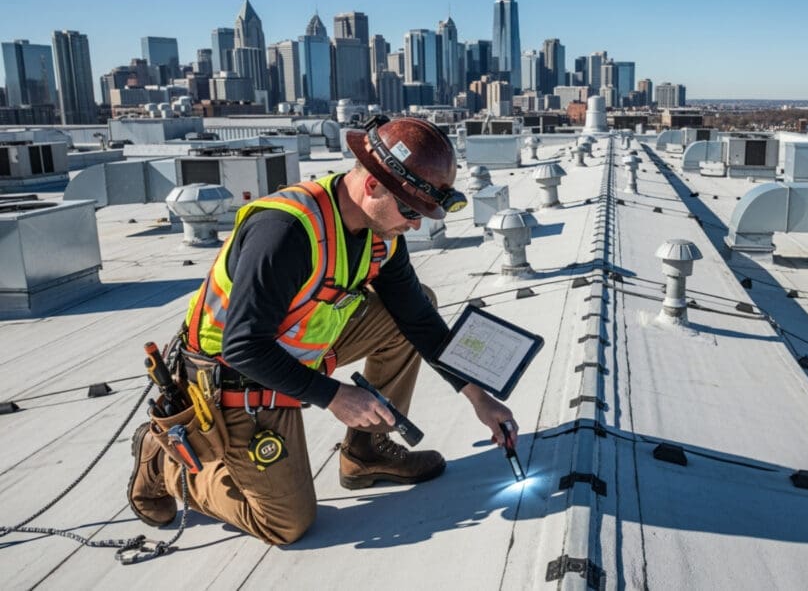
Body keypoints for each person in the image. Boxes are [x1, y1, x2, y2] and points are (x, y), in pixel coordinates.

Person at [127, 116, 518, 545]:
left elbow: (418, 320)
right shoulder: (284, 232)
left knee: (417, 301)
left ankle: (365, 453)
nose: (416, 224)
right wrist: (335, 397)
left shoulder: (380, 233)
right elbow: (243, 346)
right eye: (410, 210)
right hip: (236, 375)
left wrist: (479, 397)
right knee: (286, 525)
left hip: (296, 352)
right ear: (372, 186)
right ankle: (166, 464)